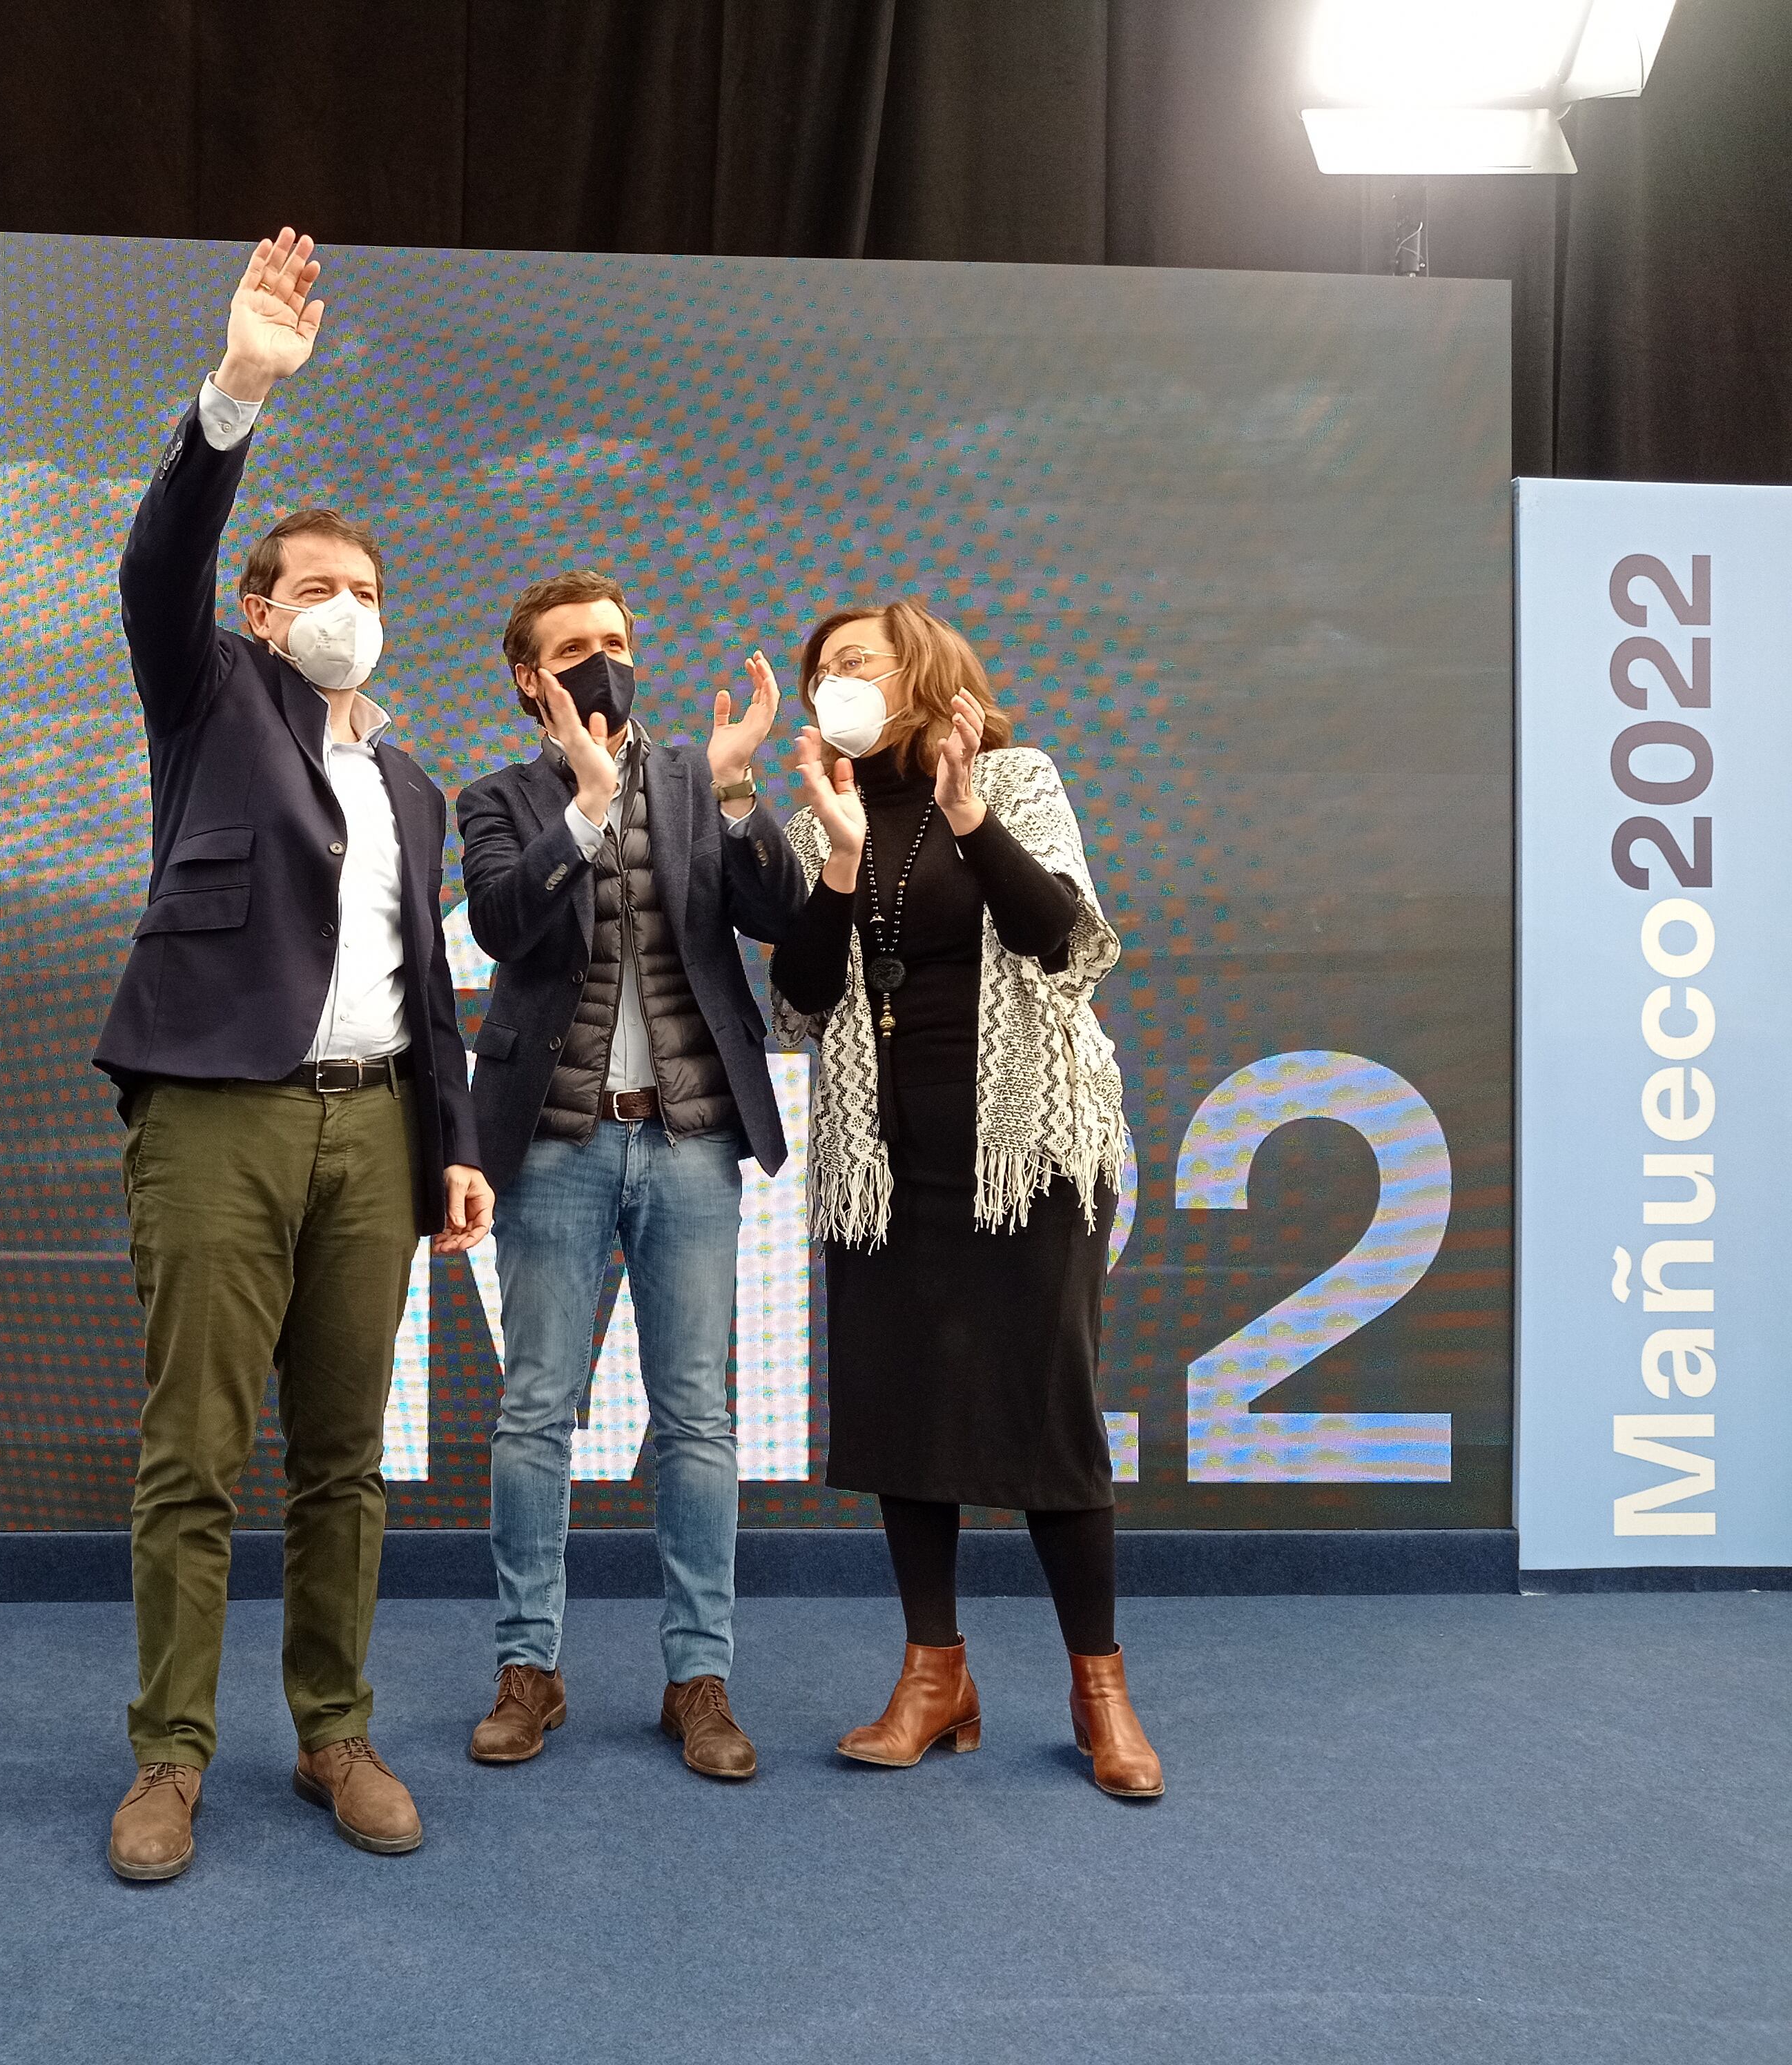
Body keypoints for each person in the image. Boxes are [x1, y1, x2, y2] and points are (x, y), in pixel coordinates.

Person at [95, 229, 491, 1881]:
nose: (346, 610)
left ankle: (332, 1729)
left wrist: (450, 1138)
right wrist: (238, 389)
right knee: (194, 1453)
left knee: (344, 1457)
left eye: (366, 593)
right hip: (216, 1123)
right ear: (262, 612)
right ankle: (169, 1759)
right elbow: (155, 562)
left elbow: (431, 987)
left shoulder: (410, 783)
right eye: (315, 589)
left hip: (373, 1128)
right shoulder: (207, 700)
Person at [768, 596, 1162, 1801]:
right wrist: (835, 859)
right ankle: (934, 1675)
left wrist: (969, 819)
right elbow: (800, 1000)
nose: (838, 679)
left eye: (860, 661)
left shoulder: (1018, 777)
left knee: (1050, 1417)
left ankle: (1101, 1691)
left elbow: (1067, 943)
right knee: (904, 1415)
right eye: (824, 668)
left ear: (923, 675)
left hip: (1029, 1154)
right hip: (884, 1164)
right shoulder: (813, 817)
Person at [452, 571, 808, 1779]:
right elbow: (504, 926)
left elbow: (782, 912)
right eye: (574, 649)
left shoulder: (701, 780)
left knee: (697, 1416)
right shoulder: (496, 798)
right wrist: (587, 810)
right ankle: (528, 1670)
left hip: (693, 1140)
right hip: (552, 1146)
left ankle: (698, 1680)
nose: (603, 661)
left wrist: (739, 781)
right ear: (528, 678)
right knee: (535, 1411)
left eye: (616, 641)